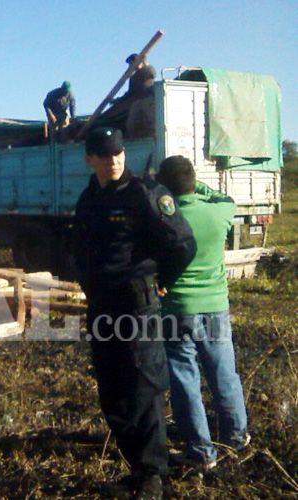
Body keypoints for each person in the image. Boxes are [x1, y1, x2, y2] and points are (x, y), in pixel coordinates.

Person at [74, 128, 197, 499]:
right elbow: (81, 247)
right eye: (105, 155)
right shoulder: (89, 198)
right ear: (90, 159)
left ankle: (152, 476)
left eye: (119, 153)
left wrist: (163, 281)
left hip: (136, 308)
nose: (114, 160)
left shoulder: (145, 194)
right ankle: (136, 468)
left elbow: (182, 244)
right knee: (113, 389)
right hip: (102, 306)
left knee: (143, 388)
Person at [155, 156, 249, 471]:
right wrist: (199, 188)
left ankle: (201, 451)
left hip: (176, 310)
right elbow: (224, 198)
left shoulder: (165, 218)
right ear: (194, 181)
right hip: (215, 306)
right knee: (224, 375)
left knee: (185, 380)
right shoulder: (219, 212)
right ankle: (235, 439)